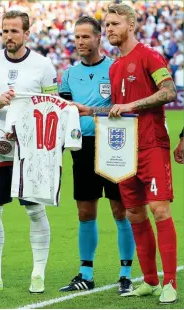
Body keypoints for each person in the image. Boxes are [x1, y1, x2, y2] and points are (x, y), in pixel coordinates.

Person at [75, 3, 178, 304]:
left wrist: (131, 106)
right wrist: (89, 110)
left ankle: (169, 282)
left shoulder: (149, 56)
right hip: (123, 151)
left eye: (115, 24)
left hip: (152, 145)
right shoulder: (115, 67)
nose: (108, 29)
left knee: (159, 210)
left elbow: (169, 91)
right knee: (134, 213)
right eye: (106, 25)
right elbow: (116, 110)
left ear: (131, 25)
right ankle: (149, 280)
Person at [0, 10, 58, 294]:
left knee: (34, 211)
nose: (9, 36)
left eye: (14, 31)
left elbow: (52, 106)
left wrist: (28, 120)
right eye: (5, 31)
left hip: (31, 149)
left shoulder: (43, 65)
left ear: (26, 34)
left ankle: (38, 274)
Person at [58, 16, 135, 294]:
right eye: (77, 37)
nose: (80, 42)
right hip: (82, 147)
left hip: (114, 143)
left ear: (98, 38)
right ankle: (86, 274)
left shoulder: (115, 69)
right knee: (85, 211)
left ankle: (125, 274)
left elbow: (124, 108)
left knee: (120, 209)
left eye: (85, 37)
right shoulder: (68, 74)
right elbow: (64, 113)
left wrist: (92, 112)